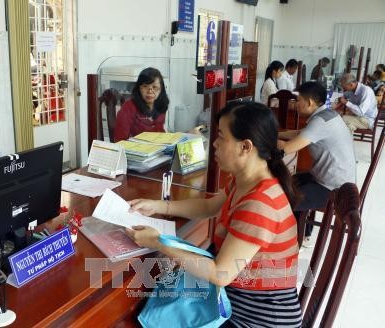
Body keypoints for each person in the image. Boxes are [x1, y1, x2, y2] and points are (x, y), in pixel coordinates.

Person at [126, 101, 302, 327]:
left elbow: (221, 273)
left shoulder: (260, 203)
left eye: (221, 137)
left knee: (153, 309)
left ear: (245, 147)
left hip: (256, 318)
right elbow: (209, 207)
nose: (215, 144)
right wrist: (159, 206)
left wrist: (157, 242)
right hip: (237, 299)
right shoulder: (248, 180)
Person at [278, 82, 356, 245]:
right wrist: (279, 134)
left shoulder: (319, 122)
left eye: (298, 100)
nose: (295, 104)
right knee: (288, 182)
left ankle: (291, 242)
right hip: (330, 178)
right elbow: (302, 134)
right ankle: (303, 231)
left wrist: (266, 138)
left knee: (283, 198)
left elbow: (288, 148)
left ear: (310, 102)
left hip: (334, 189)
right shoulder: (327, 114)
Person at [113, 67, 169, 141]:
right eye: (145, 86)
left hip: (157, 148)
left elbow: (159, 131)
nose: (150, 91)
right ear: (139, 88)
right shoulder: (128, 107)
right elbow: (120, 140)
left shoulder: (160, 104)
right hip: (136, 150)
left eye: (154, 87)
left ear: (161, 89)